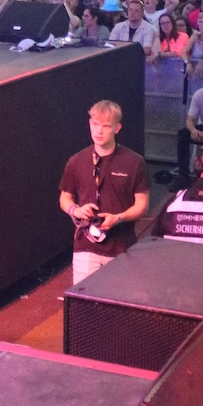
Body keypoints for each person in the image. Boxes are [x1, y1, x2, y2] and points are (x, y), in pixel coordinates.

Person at [59, 99, 149, 284]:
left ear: (117, 128)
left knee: (118, 299)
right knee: (85, 298)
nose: (99, 131)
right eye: (95, 124)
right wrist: (75, 210)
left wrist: (119, 218)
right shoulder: (77, 161)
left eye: (106, 126)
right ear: (89, 124)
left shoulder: (134, 162)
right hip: (86, 246)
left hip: (121, 246)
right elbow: (65, 197)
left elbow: (142, 204)